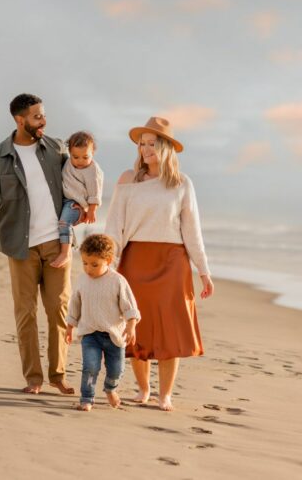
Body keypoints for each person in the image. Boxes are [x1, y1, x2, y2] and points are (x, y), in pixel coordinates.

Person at [105, 116, 214, 411]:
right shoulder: (128, 179)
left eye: (152, 144)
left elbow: (192, 231)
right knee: (135, 325)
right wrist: (107, 263)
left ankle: (165, 395)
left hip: (172, 262)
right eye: (142, 144)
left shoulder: (181, 183)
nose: (145, 149)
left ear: (166, 147)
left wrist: (203, 271)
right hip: (134, 260)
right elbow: (114, 225)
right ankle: (143, 389)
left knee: (169, 331)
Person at [0, 93, 80, 395]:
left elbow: (82, 175)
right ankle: (34, 378)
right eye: (36, 116)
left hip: (57, 243)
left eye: (43, 115)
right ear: (19, 120)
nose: (43, 121)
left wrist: (86, 206)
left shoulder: (57, 149)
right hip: (20, 247)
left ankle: (58, 375)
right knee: (26, 313)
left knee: (58, 309)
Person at [66, 234, 141, 411]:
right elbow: (74, 305)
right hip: (90, 334)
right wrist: (70, 327)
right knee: (90, 367)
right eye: (84, 263)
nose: (88, 269)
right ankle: (87, 397)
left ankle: (110, 389)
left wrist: (131, 326)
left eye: (94, 264)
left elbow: (129, 306)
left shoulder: (117, 281)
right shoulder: (82, 280)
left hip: (114, 335)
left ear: (107, 260)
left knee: (117, 370)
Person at [50, 131, 103, 268]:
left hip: (76, 203)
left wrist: (91, 210)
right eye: (76, 157)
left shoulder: (92, 170)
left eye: (85, 157)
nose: (80, 161)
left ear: (93, 154)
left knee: (64, 223)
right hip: (64, 200)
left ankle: (65, 253)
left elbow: (94, 191)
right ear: (69, 152)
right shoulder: (68, 162)